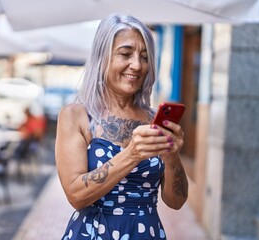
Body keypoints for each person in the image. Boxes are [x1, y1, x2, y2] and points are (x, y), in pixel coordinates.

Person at [55, 13, 188, 240]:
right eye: (125, 54)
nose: (136, 65)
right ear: (102, 58)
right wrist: (132, 154)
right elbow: (75, 196)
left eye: (144, 57)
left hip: (146, 233)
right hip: (94, 233)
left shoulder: (154, 120)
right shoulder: (76, 116)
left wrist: (172, 155)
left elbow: (176, 201)